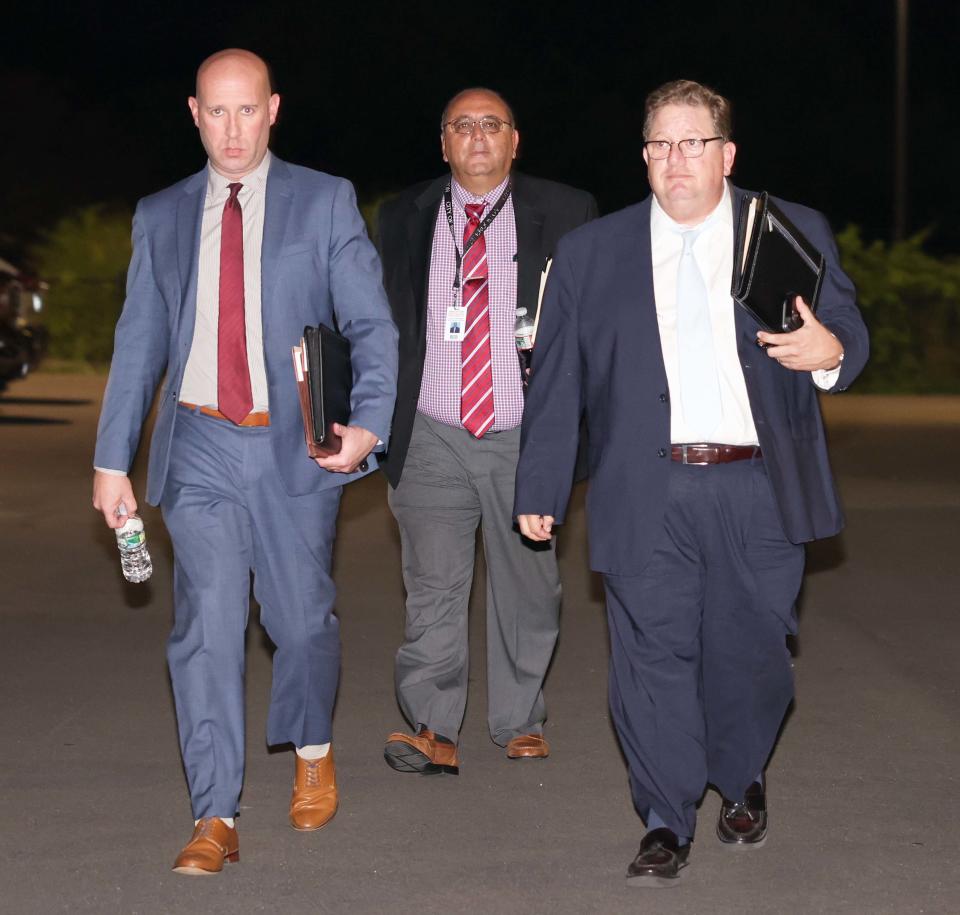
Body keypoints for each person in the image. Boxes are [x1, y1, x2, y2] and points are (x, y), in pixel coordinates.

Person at [514, 79, 868, 886]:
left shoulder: (787, 231)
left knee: (752, 654)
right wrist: (539, 483)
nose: (676, 160)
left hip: (756, 486)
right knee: (651, 659)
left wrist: (832, 355)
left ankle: (742, 773)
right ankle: (666, 816)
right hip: (647, 484)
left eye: (694, 142)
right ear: (644, 157)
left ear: (727, 153)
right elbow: (558, 378)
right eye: (660, 145)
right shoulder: (592, 252)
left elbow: (847, 330)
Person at [92, 49, 397, 875]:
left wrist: (367, 424)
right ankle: (215, 811)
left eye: (247, 112)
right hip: (198, 446)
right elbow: (139, 342)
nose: (232, 131)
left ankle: (313, 742)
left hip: (293, 444)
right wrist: (112, 458)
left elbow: (371, 325)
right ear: (194, 113)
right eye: (216, 113)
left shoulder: (323, 202)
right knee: (207, 628)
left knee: (300, 623)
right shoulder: (161, 214)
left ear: (273, 110)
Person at [377, 88, 597, 774]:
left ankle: (520, 717)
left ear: (514, 140)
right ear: (442, 143)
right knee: (434, 585)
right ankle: (432, 724)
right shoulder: (403, 214)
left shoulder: (566, 213)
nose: (476, 137)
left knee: (528, 587)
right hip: (431, 430)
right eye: (461, 126)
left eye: (490, 125)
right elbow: (378, 323)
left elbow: (592, 329)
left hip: (522, 435)